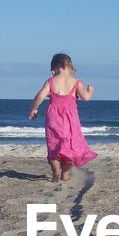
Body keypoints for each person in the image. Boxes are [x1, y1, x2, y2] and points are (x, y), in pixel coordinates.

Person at [28, 53, 97, 182]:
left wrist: (34, 109)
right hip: (71, 121)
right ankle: (65, 174)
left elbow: (40, 96)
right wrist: (90, 91)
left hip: (53, 118)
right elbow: (86, 98)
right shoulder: (76, 82)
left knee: (54, 144)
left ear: (54, 68)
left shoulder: (51, 82)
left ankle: (56, 171)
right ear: (70, 68)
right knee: (68, 147)